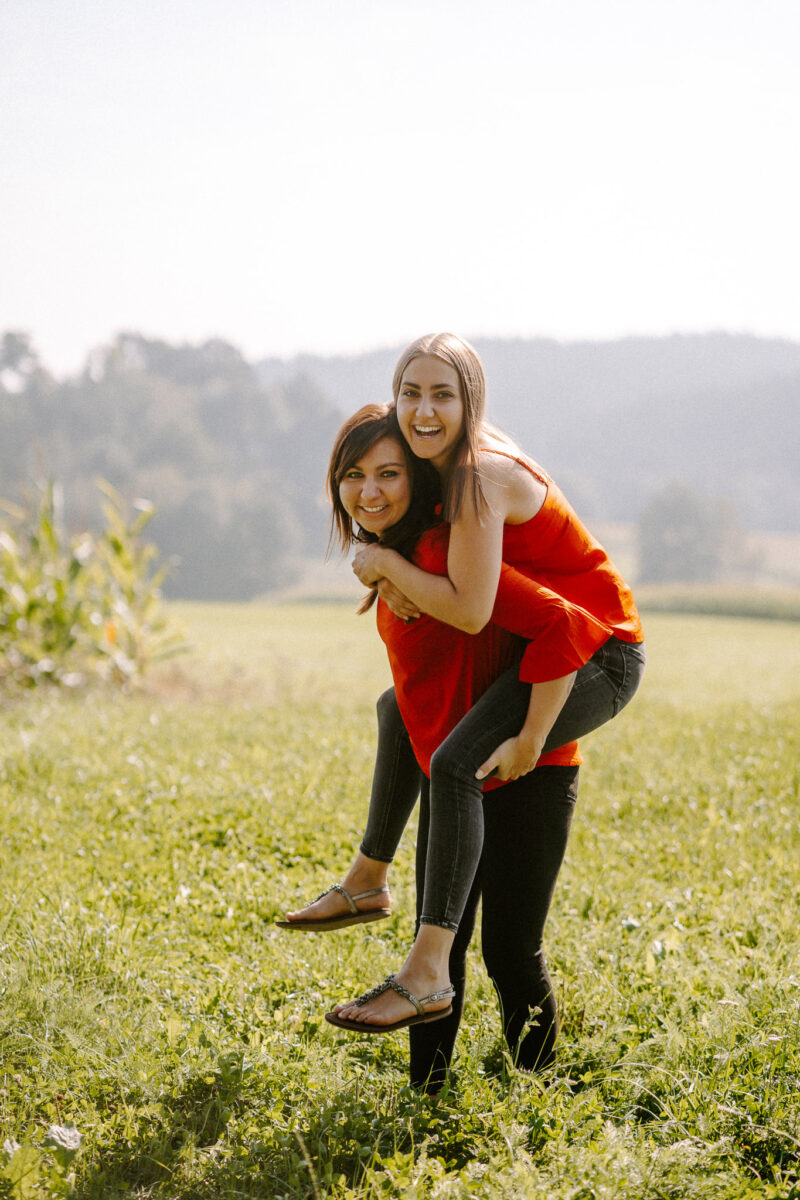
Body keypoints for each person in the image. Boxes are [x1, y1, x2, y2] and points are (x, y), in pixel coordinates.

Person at [313, 334, 645, 1042]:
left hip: (602, 650)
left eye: (443, 395)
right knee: (398, 710)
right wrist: (387, 566)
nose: (423, 410)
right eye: (410, 393)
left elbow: (472, 609)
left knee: (456, 764)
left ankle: (426, 966)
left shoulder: (477, 476)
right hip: (548, 642)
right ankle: (371, 879)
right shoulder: (443, 475)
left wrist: (531, 737)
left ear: (472, 403)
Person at [279, 403, 586, 1088]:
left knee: (510, 951)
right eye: (353, 475)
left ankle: (542, 1098)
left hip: (528, 767)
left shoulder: (452, 551)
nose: (369, 491)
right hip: (451, 770)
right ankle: (427, 1100)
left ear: (420, 479)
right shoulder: (402, 557)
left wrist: (533, 739)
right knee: (438, 947)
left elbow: (561, 625)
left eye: (389, 473)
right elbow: (406, 696)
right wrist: (380, 564)